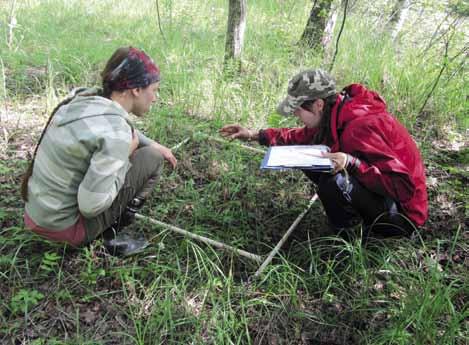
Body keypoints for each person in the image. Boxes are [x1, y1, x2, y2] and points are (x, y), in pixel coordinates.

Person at [220, 69, 428, 239]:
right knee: (308, 155)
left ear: (318, 105)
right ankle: (353, 215)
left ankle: (346, 240)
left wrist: (352, 163)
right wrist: (253, 135)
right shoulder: (337, 113)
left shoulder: (359, 128)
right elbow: (300, 137)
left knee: (333, 182)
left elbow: (403, 188)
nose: (295, 115)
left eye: (298, 110)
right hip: (386, 198)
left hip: (403, 216)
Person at [21, 47, 177, 256]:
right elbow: (90, 206)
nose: (155, 98)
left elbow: (108, 127)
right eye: (154, 89)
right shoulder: (116, 134)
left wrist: (147, 141)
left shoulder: (83, 98)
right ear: (136, 90)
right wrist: (124, 158)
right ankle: (110, 236)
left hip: (36, 216)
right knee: (153, 158)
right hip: (64, 230)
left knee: (152, 150)